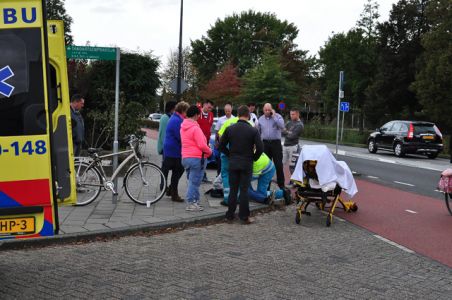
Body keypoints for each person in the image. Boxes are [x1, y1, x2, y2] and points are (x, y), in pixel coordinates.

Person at [220, 105, 263, 224]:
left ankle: (229, 215)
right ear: (248, 115)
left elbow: (220, 146)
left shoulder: (230, 129)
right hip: (246, 163)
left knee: (233, 189)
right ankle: (244, 217)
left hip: (233, 162)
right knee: (244, 190)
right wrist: (253, 158)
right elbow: (260, 148)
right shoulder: (253, 130)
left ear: (238, 115)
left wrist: (230, 155)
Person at [181, 105, 213, 211]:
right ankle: (191, 202)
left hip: (185, 157)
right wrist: (209, 151)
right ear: (195, 115)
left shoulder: (183, 127)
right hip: (196, 158)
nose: (200, 116)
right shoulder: (195, 128)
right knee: (194, 182)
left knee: (191, 181)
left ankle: (195, 201)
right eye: (199, 115)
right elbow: (202, 145)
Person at [163, 101, 189, 202]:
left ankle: (171, 190)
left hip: (172, 149)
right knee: (177, 170)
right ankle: (174, 194)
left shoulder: (176, 118)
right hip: (173, 150)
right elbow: (180, 136)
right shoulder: (176, 120)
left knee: (177, 170)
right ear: (182, 111)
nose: (187, 114)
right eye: (186, 111)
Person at [258, 103, 285, 189]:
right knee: (266, 166)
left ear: (272, 109)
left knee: (278, 165)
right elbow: (258, 132)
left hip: (276, 143)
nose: (267, 111)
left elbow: (282, 126)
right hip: (265, 144)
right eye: (265, 110)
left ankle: (281, 185)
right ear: (263, 110)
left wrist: (274, 116)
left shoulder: (278, 116)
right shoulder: (260, 119)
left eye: (269, 110)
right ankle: (267, 186)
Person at [157, 100, 177, 193]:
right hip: (166, 148)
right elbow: (163, 134)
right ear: (172, 108)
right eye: (175, 107)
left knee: (166, 168)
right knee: (165, 168)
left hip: (168, 147)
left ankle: (164, 186)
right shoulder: (165, 118)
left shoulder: (169, 117)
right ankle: (163, 186)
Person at [282, 108, 304, 183]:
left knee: (292, 166)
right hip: (285, 146)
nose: (291, 116)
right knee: (281, 163)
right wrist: (289, 132)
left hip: (293, 147)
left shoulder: (300, 125)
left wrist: (287, 132)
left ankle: (294, 181)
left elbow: (292, 136)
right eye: (290, 114)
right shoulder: (289, 122)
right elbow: (282, 131)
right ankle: (281, 179)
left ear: (297, 114)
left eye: (293, 114)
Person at [197, 100, 214, 183]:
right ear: (204, 105)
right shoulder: (197, 113)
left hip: (206, 141)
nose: (210, 109)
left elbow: (210, 127)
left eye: (211, 108)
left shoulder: (211, 115)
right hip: (197, 141)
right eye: (208, 107)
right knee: (198, 159)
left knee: (205, 159)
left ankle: (203, 175)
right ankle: (197, 176)